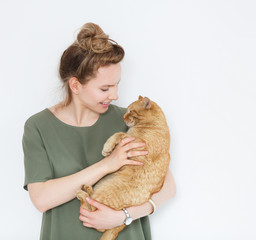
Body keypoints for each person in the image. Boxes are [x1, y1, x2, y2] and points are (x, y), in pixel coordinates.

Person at [22, 22, 176, 240]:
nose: (114, 95)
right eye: (105, 88)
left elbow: (168, 187)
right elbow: (41, 199)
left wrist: (124, 216)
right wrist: (107, 164)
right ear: (75, 86)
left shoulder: (130, 121)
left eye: (116, 85)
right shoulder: (38, 126)